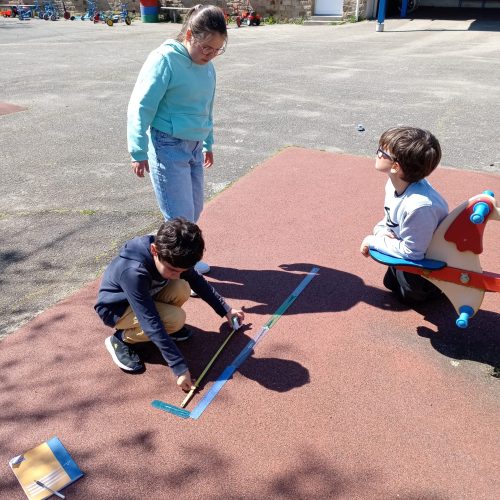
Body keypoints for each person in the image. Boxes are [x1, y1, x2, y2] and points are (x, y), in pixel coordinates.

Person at [127, 4, 228, 275]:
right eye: (205, 47)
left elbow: (206, 108)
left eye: (217, 49)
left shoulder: (208, 69)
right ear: (189, 35)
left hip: (194, 146)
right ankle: (179, 271)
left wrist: (208, 143)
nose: (210, 54)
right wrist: (137, 150)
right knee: (179, 217)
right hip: (167, 144)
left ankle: (166, 261)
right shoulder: (165, 60)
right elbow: (141, 105)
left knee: (193, 212)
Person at [94, 218, 244, 392]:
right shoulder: (133, 272)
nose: (176, 274)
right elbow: (150, 321)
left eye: (181, 270)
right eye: (172, 269)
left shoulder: (172, 254)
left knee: (182, 286)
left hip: (147, 296)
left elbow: (197, 280)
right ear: (154, 250)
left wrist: (226, 310)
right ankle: (120, 340)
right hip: (116, 309)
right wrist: (179, 367)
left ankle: (168, 328)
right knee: (175, 319)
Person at [360, 126, 449, 303]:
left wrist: (373, 241)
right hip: (410, 241)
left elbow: (413, 253)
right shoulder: (394, 184)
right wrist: (381, 230)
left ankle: (440, 288)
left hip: (429, 258)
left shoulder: (419, 206)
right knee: (391, 284)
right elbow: (390, 217)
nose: (377, 154)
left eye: (381, 152)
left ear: (395, 166)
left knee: (409, 297)